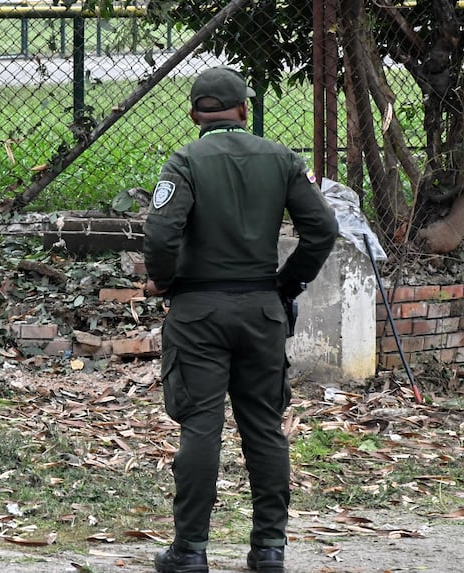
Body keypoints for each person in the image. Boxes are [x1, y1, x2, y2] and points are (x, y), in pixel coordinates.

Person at [143, 67, 338, 573]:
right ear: (245, 111)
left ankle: (189, 551)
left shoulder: (185, 160)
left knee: (201, 427)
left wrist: (162, 280)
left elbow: (161, 231)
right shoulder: (282, 159)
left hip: (198, 312)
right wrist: (286, 283)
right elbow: (322, 229)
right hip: (261, 311)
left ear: (194, 114)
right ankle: (269, 547)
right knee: (264, 427)